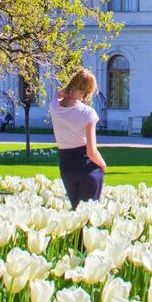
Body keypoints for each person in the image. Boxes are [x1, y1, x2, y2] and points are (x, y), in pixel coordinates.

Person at [49, 68, 108, 209]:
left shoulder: (54, 106)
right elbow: (91, 152)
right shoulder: (88, 113)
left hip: (66, 166)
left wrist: (66, 91)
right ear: (87, 91)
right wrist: (103, 165)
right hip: (87, 168)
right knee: (88, 218)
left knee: (76, 215)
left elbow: (59, 96)